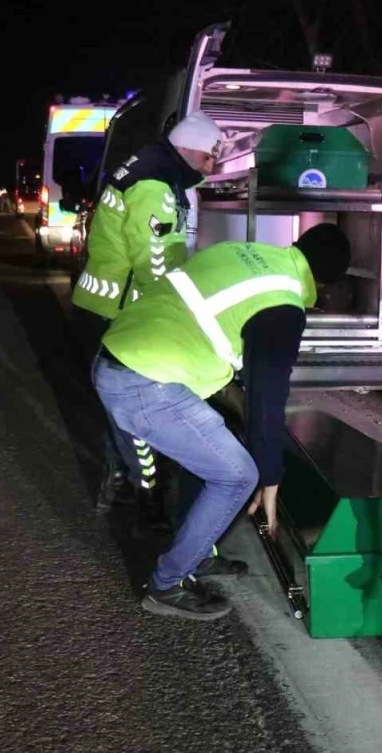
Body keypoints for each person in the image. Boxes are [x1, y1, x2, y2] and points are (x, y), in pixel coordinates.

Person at [93, 224, 351, 619]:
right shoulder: (284, 304)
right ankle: (166, 585)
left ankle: (196, 555)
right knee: (235, 475)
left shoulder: (241, 253)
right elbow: (267, 396)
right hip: (146, 383)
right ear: (324, 285)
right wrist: (269, 475)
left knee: (218, 438)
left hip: (116, 356)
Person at [71, 111, 224, 522]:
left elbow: (194, 178)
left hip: (106, 302)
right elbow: (152, 259)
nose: (212, 167)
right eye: (211, 157)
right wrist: (172, 311)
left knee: (118, 405)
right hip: (122, 307)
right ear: (191, 149)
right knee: (133, 407)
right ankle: (146, 498)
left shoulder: (152, 165)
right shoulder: (155, 184)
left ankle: (120, 480)